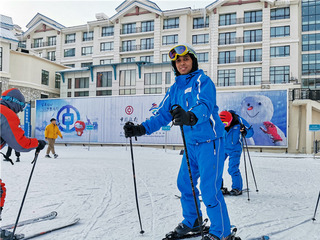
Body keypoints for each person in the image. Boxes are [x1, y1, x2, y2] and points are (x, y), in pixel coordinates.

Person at [123, 44, 232, 240]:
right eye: (178, 61)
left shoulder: (203, 80)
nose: (182, 63)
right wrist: (141, 129)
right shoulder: (174, 89)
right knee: (185, 184)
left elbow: (205, 105)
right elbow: (162, 115)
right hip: (190, 145)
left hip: (211, 142)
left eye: (186, 59)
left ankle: (221, 232)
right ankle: (193, 220)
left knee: (209, 189)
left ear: (193, 61)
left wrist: (190, 117)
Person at [0, 88, 46, 239]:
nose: (20, 111)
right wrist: (36, 143)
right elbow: (20, 143)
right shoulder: (6, 113)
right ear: (15, 103)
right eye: (21, 107)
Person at [219, 110, 254, 196]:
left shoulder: (240, 121)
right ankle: (218, 187)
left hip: (235, 149)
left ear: (230, 120)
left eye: (225, 124)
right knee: (216, 167)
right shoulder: (218, 120)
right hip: (222, 148)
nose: (224, 126)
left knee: (232, 168)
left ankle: (237, 188)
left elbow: (250, 132)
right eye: (222, 124)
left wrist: (245, 132)